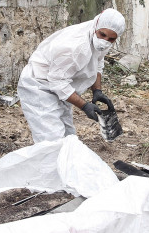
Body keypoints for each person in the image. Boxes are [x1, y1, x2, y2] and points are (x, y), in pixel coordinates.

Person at [17, 8, 125, 143]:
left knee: (69, 137)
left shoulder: (103, 37)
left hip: (62, 83)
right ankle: (49, 163)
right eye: (102, 35)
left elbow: (98, 61)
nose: (105, 41)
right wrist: (84, 106)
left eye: (111, 39)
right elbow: (56, 82)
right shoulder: (75, 47)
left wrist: (97, 90)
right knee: (51, 140)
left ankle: (65, 163)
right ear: (97, 25)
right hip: (39, 85)